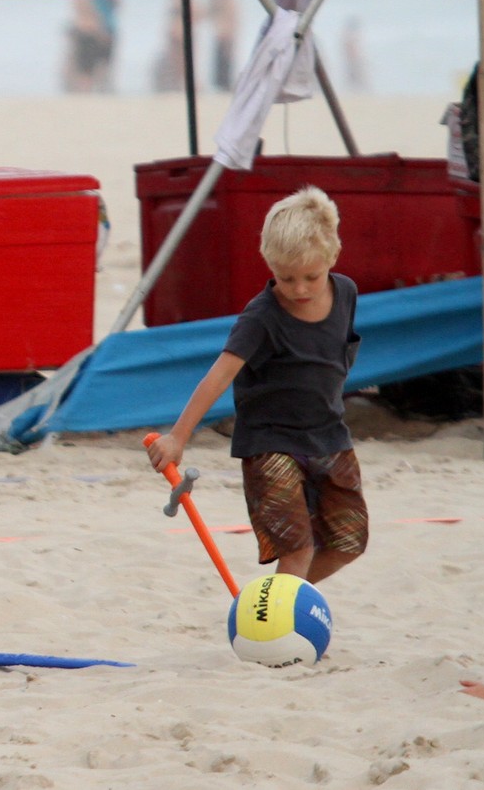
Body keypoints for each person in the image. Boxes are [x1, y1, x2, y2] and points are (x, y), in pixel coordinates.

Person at [147, 186, 368, 585]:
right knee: (297, 547)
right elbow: (218, 375)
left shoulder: (347, 293)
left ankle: (275, 606)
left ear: (333, 256)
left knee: (348, 542)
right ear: (268, 264)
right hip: (270, 444)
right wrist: (178, 436)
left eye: (311, 277)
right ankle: (275, 621)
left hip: (329, 436)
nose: (299, 289)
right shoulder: (260, 318)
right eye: (286, 278)